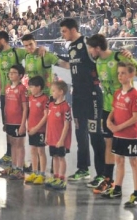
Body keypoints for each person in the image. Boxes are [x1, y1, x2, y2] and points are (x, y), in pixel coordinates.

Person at [86, 34, 137, 192]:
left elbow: (133, 69)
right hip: (107, 108)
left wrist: (131, 57)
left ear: (97, 48)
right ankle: (108, 179)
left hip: (124, 109)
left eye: (90, 48)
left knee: (128, 153)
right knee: (108, 143)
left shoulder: (119, 56)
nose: (89, 51)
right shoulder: (98, 61)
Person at [59, 18, 106, 186]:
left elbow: (102, 57)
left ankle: (102, 174)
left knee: (95, 134)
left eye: (64, 31)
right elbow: (69, 65)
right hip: (77, 95)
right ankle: (83, 168)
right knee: (80, 133)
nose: (62, 34)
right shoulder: (71, 47)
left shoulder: (87, 43)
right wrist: (51, 58)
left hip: (92, 95)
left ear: (73, 29)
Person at [0, 31, 28, 165]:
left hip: (17, 93)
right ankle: (9, 154)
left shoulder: (17, 52)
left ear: (3, 40)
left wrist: (40, 49)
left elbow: (31, 51)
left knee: (18, 124)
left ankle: (20, 160)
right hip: (5, 93)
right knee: (7, 125)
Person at [102, 62, 137, 208]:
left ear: (131, 75)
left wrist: (118, 127)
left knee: (134, 163)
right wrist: (109, 120)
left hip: (131, 135)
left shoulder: (134, 95)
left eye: (123, 73)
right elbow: (114, 109)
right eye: (118, 73)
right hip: (118, 135)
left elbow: (135, 117)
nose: (120, 76)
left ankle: (135, 192)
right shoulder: (117, 93)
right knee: (119, 161)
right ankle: (117, 189)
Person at [0, 65, 28, 180]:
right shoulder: (7, 88)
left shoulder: (22, 89)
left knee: (19, 145)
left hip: (18, 122)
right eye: (10, 72)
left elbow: (25, 108)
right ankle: (14, 166)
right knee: (12, 144)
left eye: (14, 72)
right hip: (9, 121)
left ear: (20, 75)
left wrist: (22, 124)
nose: (10, 74)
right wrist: (5, 122)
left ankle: (19, 169)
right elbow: (6, 105)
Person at [45, 80, 72, 190]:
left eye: (54, 91)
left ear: (61, 92)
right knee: (54, 157)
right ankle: (55, 177)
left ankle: (62, 179)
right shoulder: (51, 105)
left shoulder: (65, 107)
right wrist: (47, 135)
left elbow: (66, 125)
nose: (52, 93)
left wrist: (61, 140)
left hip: (60, 139)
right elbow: (48, 122)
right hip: (51, 137)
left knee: (61, 157)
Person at [25, 76, 49, 185]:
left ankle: (42, 174)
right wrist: (27, 125)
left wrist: (36, 128)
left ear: (39, 87)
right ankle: (34, 172)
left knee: (41, 151)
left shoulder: (45, 99)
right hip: (31, 129)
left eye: (32, 87)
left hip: (40, 130)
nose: (30, 89)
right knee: (33, 150)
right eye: (29, 87)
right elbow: (28, 113)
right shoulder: (30, 98)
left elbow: (45, 116)